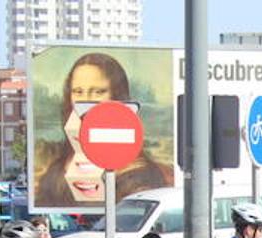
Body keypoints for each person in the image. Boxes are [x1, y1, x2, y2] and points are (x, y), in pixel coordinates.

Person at [34, 52, 173, 207]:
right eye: (78, 92)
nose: (86, 100)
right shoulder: (60, 163)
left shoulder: (137, 175)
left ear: (116, 95)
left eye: (98, 92)